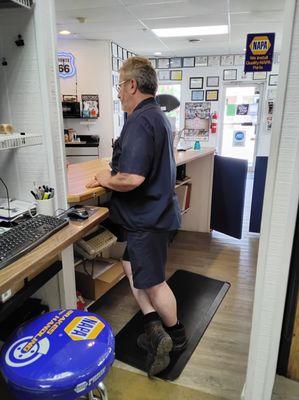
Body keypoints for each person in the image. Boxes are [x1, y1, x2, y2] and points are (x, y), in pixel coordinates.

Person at [86, 56, 187, 377]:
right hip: (154, 215)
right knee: (130, 263)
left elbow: (131, 178)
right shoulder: (155, 115)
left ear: (132, 85)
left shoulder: (142, 121)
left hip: (149, 219)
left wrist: (104, 178)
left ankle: (176, 337)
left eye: (119, 85)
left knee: (155, 283)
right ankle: (151, 324)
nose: (117, 92)